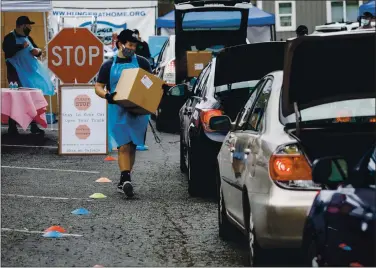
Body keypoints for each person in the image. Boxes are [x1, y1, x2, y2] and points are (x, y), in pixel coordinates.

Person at [95, 29, 166, 198]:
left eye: (135, 45)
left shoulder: (142, 63)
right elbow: (98, 86)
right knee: (123, 145)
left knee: (132, 146)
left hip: (138, 112)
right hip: (117, 110)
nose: (133, 48)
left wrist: (158, 91)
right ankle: (126, 178)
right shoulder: (107, 65)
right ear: (120, 44)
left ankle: (124, 179)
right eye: (130, 45)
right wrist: (107, 95)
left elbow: (151, 84)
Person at [2, 16, 54, 135]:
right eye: (28, 25)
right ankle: (12, 126)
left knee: (32, 98)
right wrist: (21, 46)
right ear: (22, 26)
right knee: (15, 98)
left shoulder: (27, 37)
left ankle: (34, 125)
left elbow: (37, 48)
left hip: (30, 73)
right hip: (16, 73)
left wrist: (37, 51)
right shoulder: (9, 38)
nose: (30, 27)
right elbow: (7, 51)